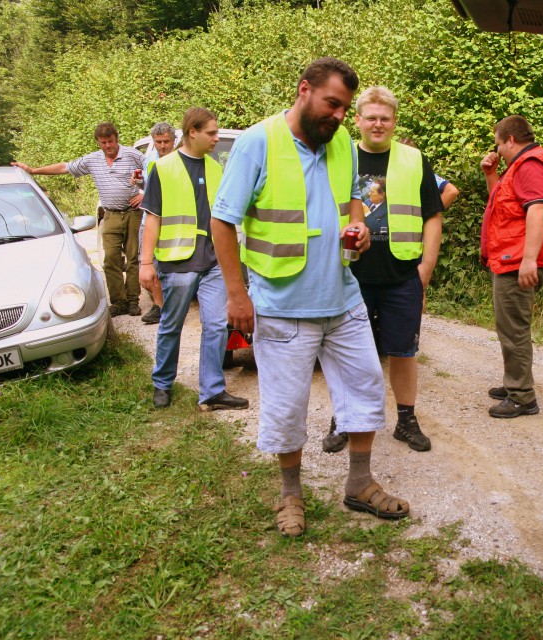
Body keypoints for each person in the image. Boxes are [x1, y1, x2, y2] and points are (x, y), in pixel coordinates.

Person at [210, 57, 410, 537]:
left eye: (345, 109)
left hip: (343, 299)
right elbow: (222, 220)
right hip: (281, 306)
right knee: (286, 405)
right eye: (332, 104)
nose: (340, 117)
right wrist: (237, 295)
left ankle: (359, 484)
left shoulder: (340, 142)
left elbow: (354, 200)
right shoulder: (260, 142)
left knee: (364, 389)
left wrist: (358, 228)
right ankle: (290, 495)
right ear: (304, 90)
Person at [321, 86, 444, 454]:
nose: (378, 124)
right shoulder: (338, 156)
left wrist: (426, 268)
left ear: (394, 122)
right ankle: (343, 419)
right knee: (347, 353)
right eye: (371, 117)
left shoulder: (414, 158)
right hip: (348, 274)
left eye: (385, 118)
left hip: (401, 274)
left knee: (404, 351)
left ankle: (406, 420)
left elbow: (432, 217)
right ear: (357, 120)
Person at [137, 107, 248, 413]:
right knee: (172, 324)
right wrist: (146, 264)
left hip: (213, 261)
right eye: (211, 133)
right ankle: (162, 384)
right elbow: (153, 219)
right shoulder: (164, 167)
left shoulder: (216, 169)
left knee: (216, 326)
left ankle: (212, 392)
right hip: (177, 260)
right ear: (192, 132)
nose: (215, 138)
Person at [479, 115, 543, 418]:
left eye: (498, 143)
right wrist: (491, 173)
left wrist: (529, 260)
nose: (498, 150)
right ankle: (514, 384)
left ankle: (522, 397)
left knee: (514, 329)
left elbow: (539, 210)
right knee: (509, 326)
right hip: (511, 258)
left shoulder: (531, 165)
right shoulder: (518, 167)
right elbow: (502, 207)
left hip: (519, 261)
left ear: (510, 140)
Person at [12, 123, 146, 316]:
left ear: (117, 138)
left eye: (110, 141)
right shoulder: (93, 160)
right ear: (98, 143)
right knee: (110, 260)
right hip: (110, 214)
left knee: (133, 258)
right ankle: (119, 301)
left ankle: (133, 300)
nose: (108, 146)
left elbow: (156, 171)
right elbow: (65, 167)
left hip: (133, 212)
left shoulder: (133, 155)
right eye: (103, 143)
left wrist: (145, 194)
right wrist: (33, 170)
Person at [137, 121, 177, 325]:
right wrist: (138, 187)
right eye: (158, 142)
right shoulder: (149, 160)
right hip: (149, 219)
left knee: (169, 267)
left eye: (166, 141)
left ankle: (169, 306)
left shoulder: (181, 160)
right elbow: (147, 186)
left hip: (173, 221)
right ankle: (160, 306)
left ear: (174, 140)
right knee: (149, 264)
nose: (163, 146)